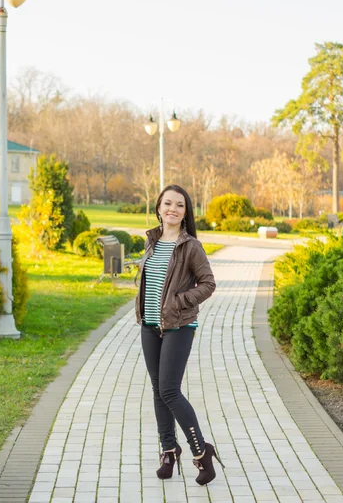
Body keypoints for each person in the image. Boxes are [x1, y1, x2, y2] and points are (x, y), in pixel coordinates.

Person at [135, 184, 225, 485]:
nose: (172, 209)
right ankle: (168, 450)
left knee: (170, 390)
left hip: (179, 326)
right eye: (167, 203)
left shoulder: (190, 246)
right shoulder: (152, 241)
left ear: (186, 212)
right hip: (150, 325)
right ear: (158, 208)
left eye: (179, 205)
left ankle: (201, 452)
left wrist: (178, 301)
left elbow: (208, 284)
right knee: (158, 390)